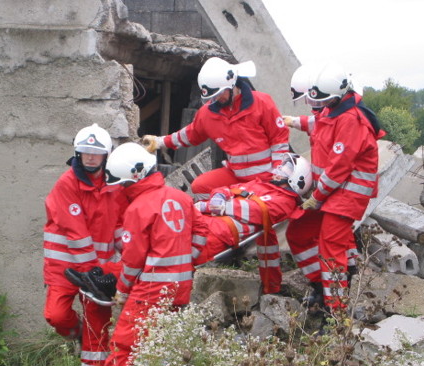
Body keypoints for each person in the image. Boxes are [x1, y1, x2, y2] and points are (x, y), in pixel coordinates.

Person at [71, 142, 208, 366]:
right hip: (180, 289)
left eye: (120, 183)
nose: (119, 189)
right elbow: (203, 232)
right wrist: (186, 261)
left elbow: (133, 262)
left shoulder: (139, 209)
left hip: (150, 291)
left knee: (122, 346)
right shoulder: (180, 198)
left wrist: (121, 291)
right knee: (162, 344)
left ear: (131, 179)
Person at [283, 63, 385, 311]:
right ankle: (321, 286)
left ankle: (336, 310)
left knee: (331, 249)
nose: (317, 106)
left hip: (346, 194)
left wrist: (316, 197)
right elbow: (320, 125)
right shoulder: (335, 109)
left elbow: (339, 168)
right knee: (297, 233)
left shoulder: (352, 120)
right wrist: (294, 121)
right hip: (330, 192)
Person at [42, 123, 128, 366]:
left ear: (106, 156)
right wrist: (95, 275)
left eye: (96, 153)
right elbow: (76, 233)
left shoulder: (115, 186)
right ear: (77, 154)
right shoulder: (67, 184)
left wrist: (128, 256)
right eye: (85, 153)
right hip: (66, 268)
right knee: (56, 315)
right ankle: (76, 333)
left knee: (98, 328)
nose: (91, 158)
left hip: (99, 270)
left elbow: (119, 226)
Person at [142, 57, 291, 201]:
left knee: (251, 204)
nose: (217, 99)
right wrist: (159, 142)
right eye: (213, 96)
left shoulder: (262, 102)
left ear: (232, 84)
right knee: (200, 187)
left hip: (265, 176)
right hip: (235, 174)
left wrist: (278, 173)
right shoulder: (208, 114)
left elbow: (279, 140)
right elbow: (189, 134)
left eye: (220, 93)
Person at [193, 153, 311, 295]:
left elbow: (252, 210)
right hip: (203, 220)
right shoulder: (261, 185)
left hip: (216, 234)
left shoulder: (284, 202)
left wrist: (210, 206)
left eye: (286, 169)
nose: (279, 169)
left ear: (297, 179)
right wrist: (219, 195)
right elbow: (230, 189)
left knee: (172, 248)